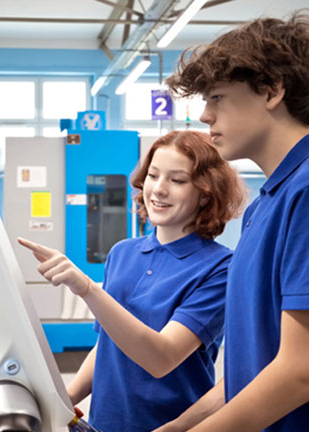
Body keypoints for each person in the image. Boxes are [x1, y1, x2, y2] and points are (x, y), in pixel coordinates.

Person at [156, 11, 309, 431]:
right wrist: (180, 425)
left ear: (271, 91)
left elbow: (300, 372)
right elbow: (252, 367)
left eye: (217, 97)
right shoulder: (269, 201)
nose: (204, 117)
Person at [19, 130, 246, 432]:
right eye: (153, 176)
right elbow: (107, 344)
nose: (159, 190)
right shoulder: (122, 253)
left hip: (169, 425)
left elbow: (161, 357)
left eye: (177, 180)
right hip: (105, 422)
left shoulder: (220, 268)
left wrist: (87, 289)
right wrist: (64, 397)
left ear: (206, 193)